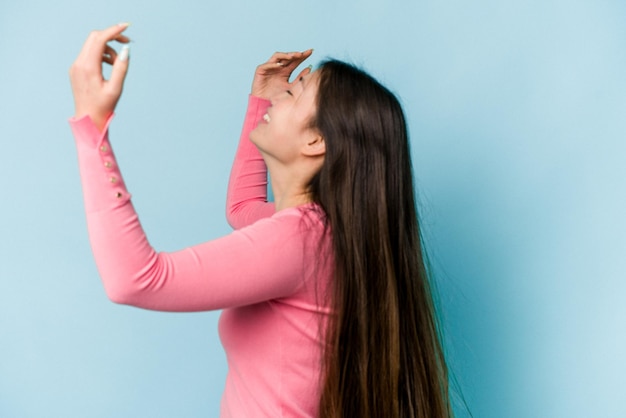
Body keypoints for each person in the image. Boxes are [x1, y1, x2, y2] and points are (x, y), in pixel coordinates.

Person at [69, 23, 453, 418]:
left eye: (295, 92)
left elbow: (135, 280)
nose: (283, 95)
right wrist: (262, 100)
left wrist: (91, 128)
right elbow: (243, 209)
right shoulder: (324, 233)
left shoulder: (299, 238)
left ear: (316, 141)